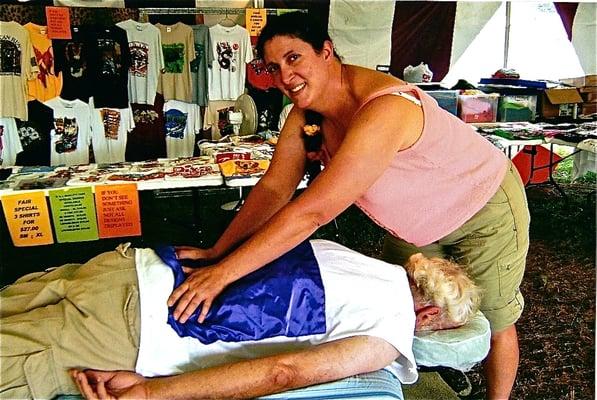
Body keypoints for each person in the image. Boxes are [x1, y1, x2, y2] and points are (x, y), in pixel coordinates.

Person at [170, 12, 529, 400]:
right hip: (415, 225)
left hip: (482, 207)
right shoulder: (305, 115)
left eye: (294, 58)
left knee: (494, 316)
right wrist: (219, 252)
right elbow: (275, 188)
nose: (284, 77)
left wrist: (224, 274)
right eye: (273, 67)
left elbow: (313, 212)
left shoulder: (385, 107)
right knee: (396, 306)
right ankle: (428, 375)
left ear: (326, 52)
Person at [0, 240, 480, 400]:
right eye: (438, 330)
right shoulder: (391, 332)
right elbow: (281, 373)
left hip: (129, 267)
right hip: (139, 328)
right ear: (430, 312)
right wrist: (149, 393)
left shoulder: (350, 255)